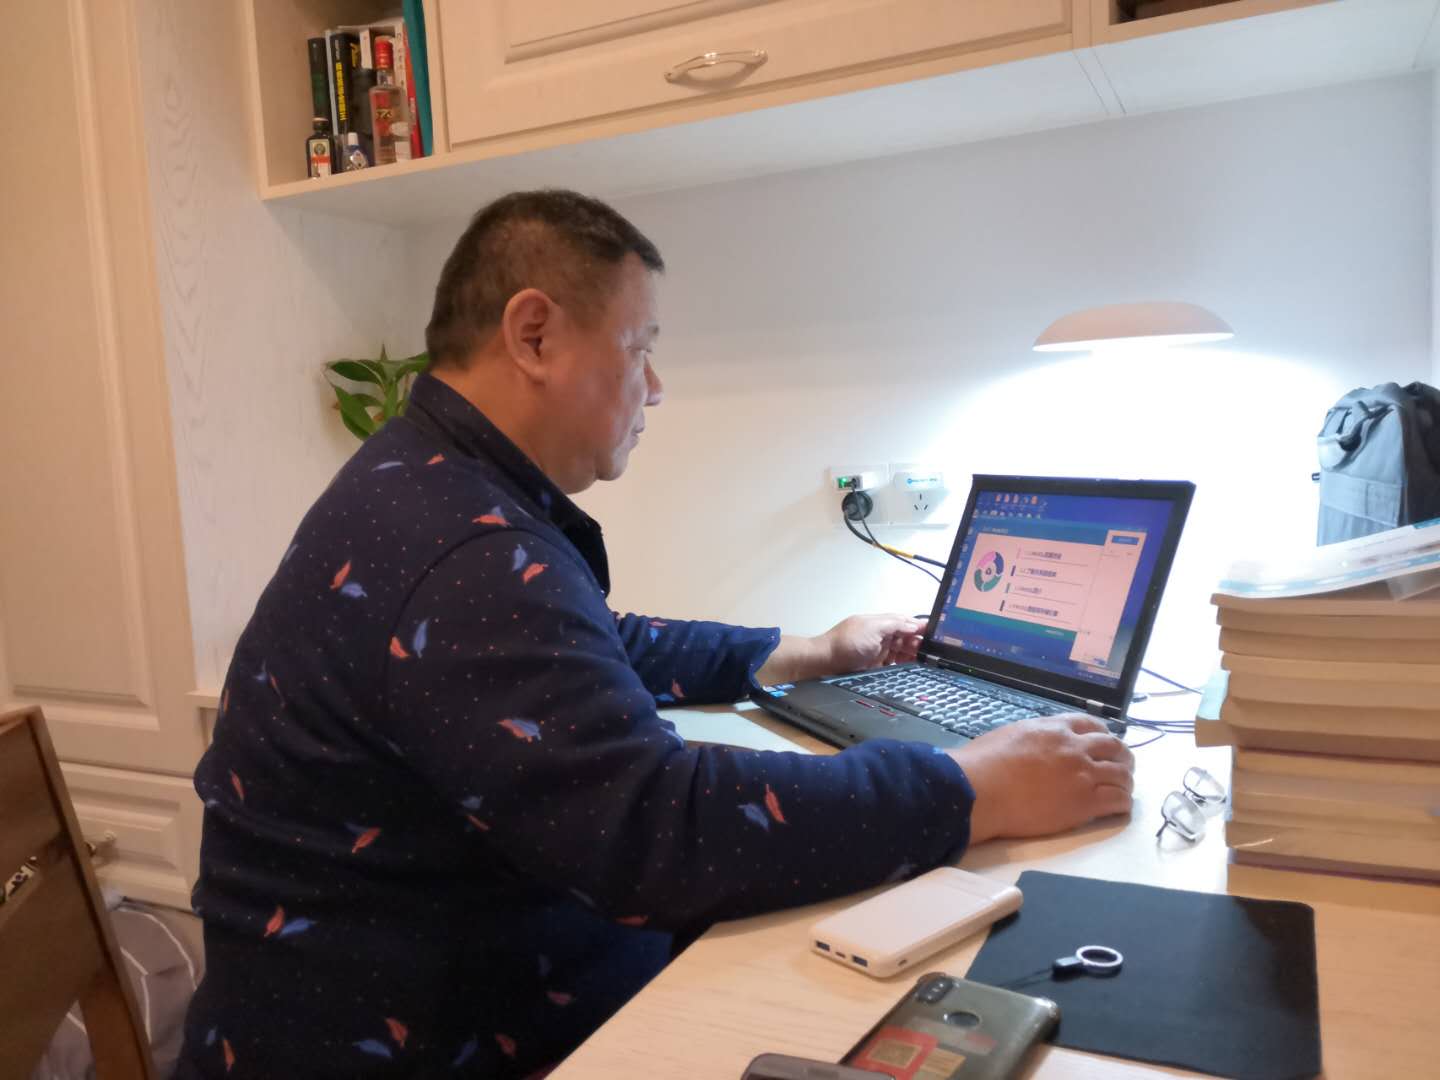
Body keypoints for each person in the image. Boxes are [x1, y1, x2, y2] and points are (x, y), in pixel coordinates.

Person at [177, 190, 1133, 1078]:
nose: (657, 385)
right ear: (534, 335)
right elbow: (655, 833)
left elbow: (598, 640)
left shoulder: (426, 482)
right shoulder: (461, 547)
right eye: (640, 348)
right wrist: (972, 789)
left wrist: (809, 651)